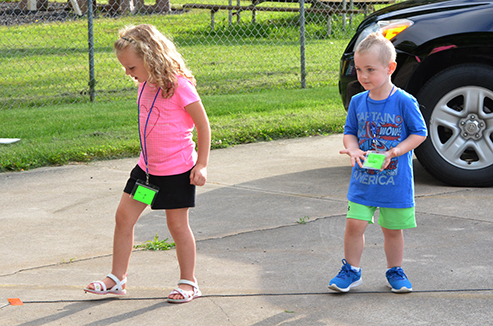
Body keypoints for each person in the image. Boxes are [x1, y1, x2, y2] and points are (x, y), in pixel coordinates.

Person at [84, 24, 211, 304]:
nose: (128, 74)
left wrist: (200, 165)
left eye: (131, 67)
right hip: (147, 176)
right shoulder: (145, 83)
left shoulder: (179, 86)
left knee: (177, 226)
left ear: (150, 58)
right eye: (125, 68)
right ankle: (118, 278)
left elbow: (203, 126)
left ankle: (189, 282)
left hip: (175, 174)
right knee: (124, 218)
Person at [328, 32, 427, 293]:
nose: (363, 76)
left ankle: (395, 270)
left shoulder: (404, 101)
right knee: (354, 224)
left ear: (390, 68)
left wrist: (393, 153)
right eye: (359, 69)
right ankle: (352, 270)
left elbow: (420, 133)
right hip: (363, 179)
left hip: (395, 181)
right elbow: (350, 131)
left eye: (370, 69)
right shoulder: (358, 102)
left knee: (392, 229)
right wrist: (353, 149)